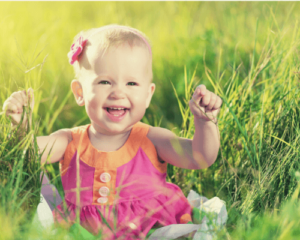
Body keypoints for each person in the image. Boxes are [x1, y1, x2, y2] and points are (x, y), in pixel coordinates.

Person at [2, 24, 222, 239]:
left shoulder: (152, 139)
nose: (118, 92)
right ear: (80, 92)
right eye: (105, 81)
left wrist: (205, 122)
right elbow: (27, 158)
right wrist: (20, 127)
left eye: (132, 83)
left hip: (150, 228)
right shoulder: (69, 140)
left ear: (148, 94)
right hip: (84, 232)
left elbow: (200, 157)